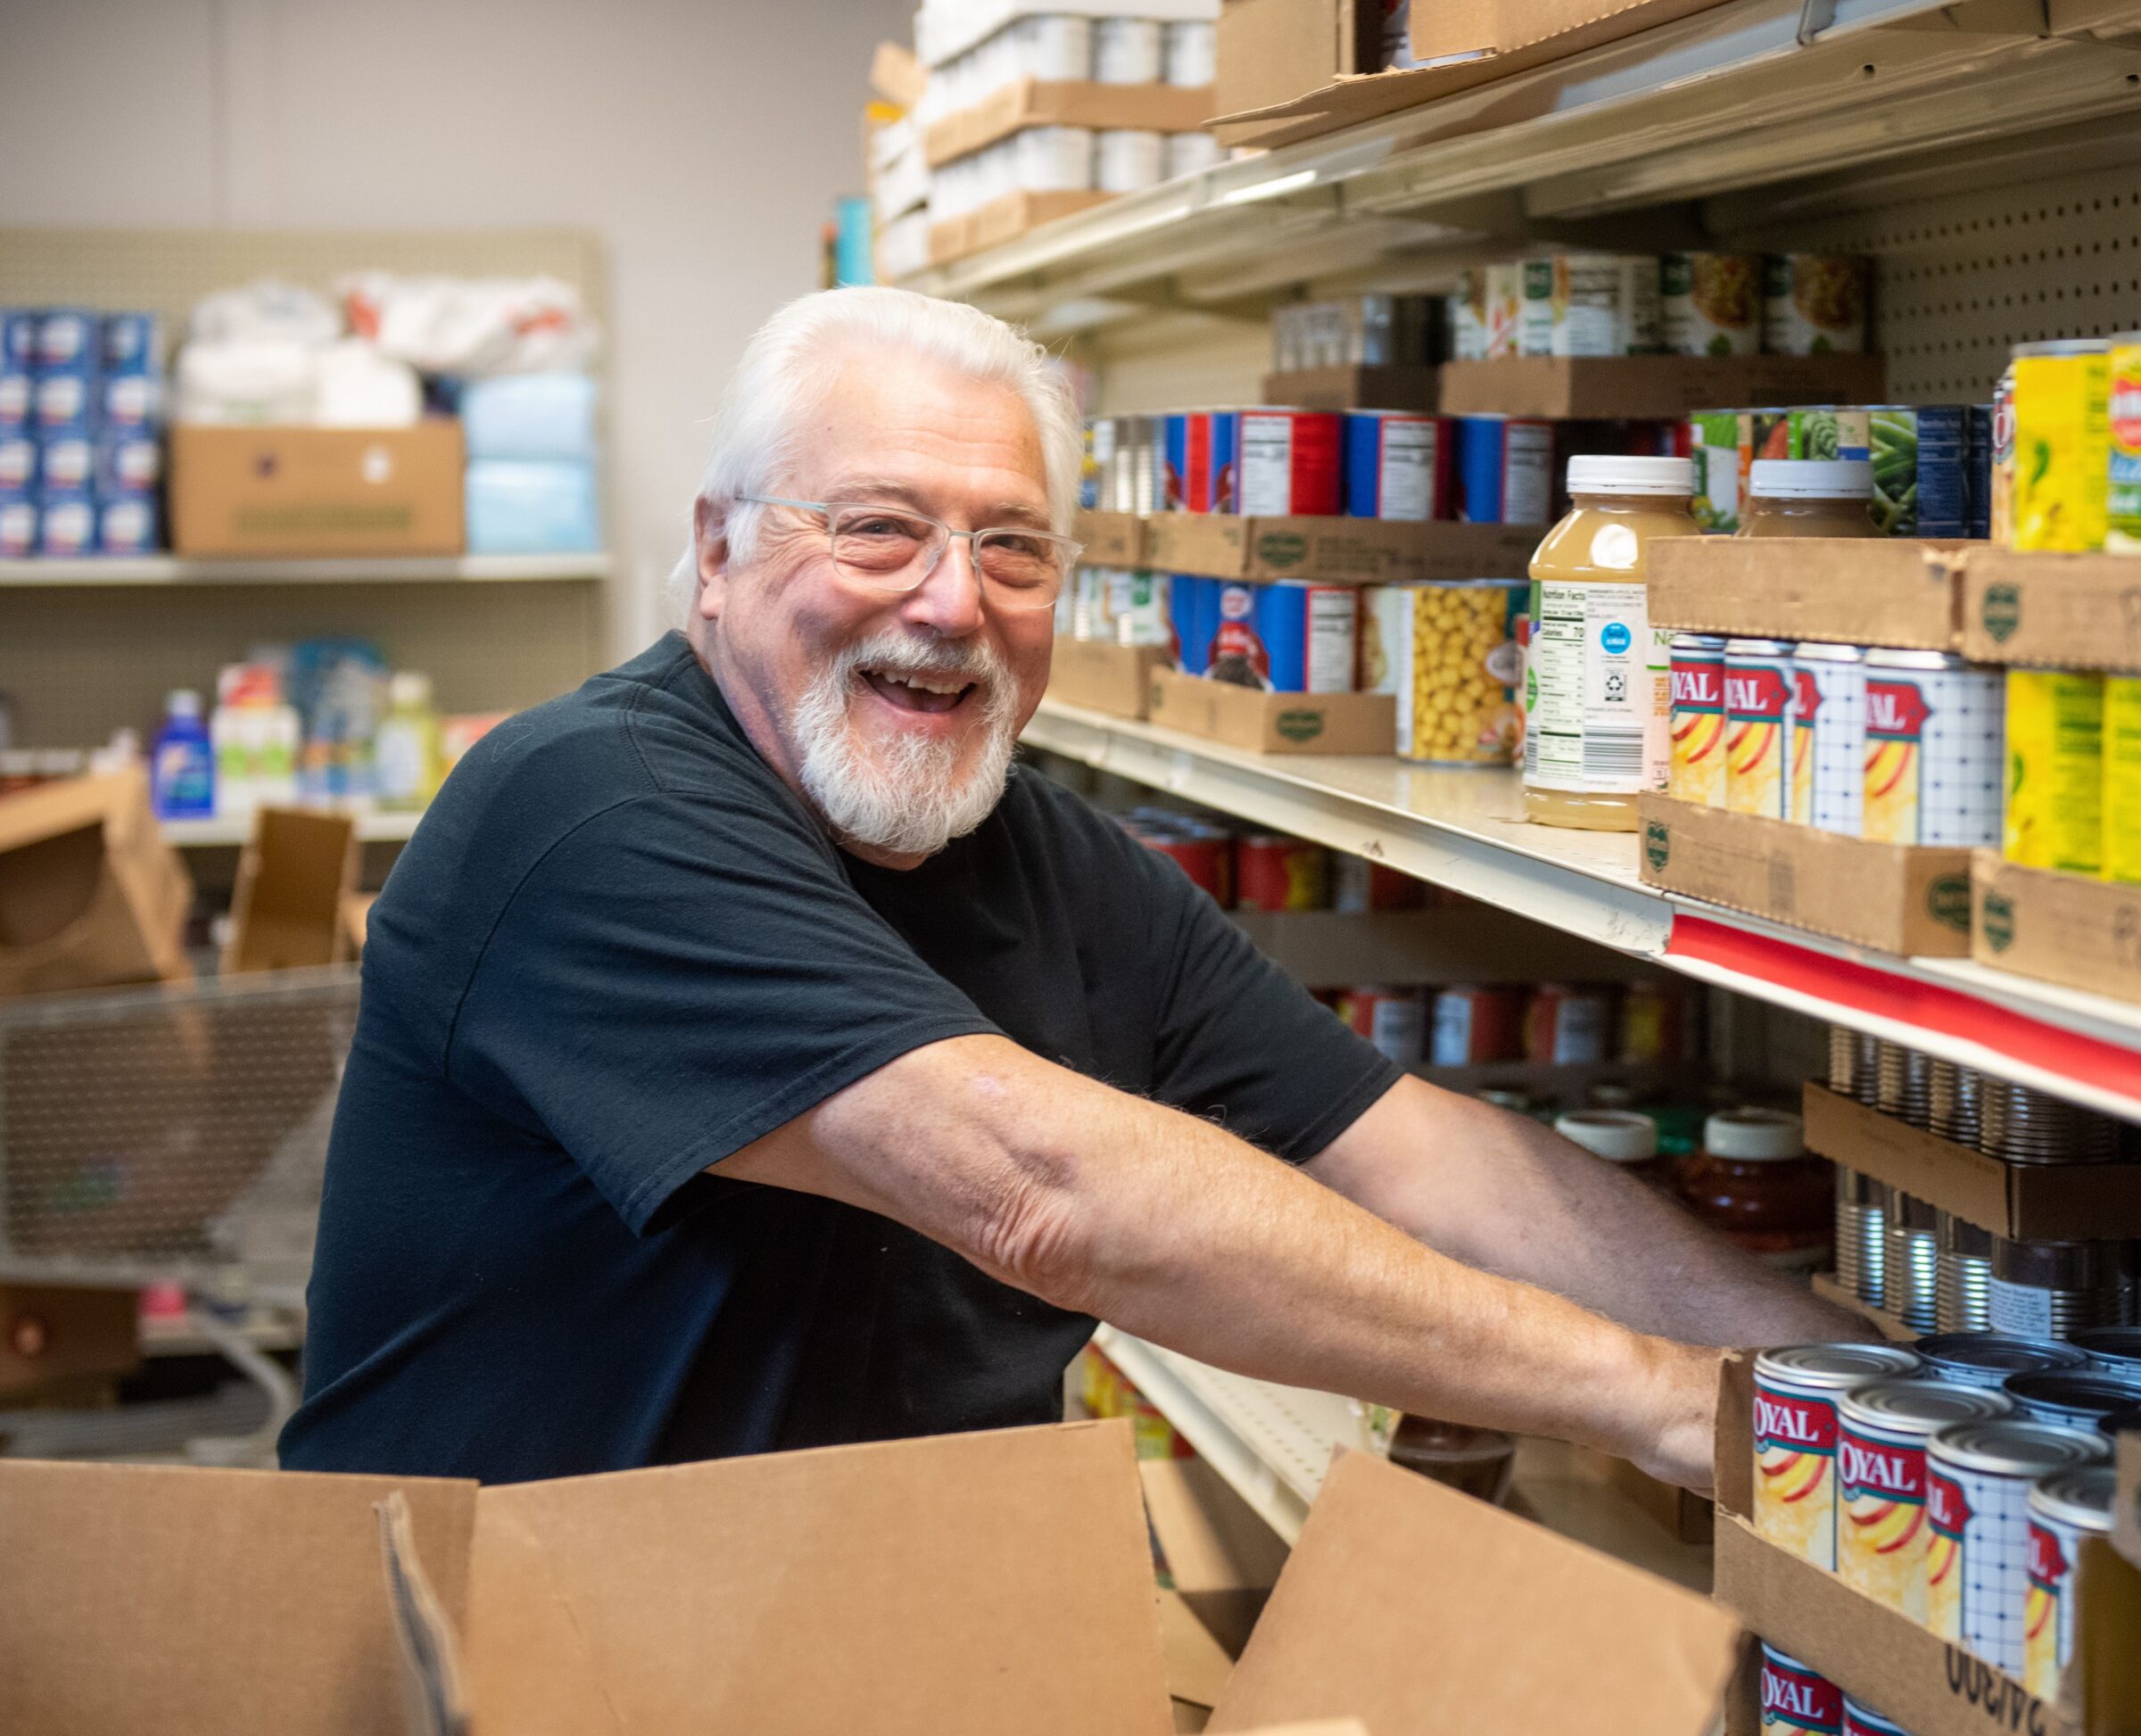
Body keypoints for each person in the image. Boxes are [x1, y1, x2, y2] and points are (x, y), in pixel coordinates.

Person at [280, 286, 1863, 1487]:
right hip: (501, 1652)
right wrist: (1654, 1396)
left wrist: (1842, 1383)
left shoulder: (1046, 859)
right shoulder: (587, 811)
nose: (954, 603)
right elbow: (1042, 1188)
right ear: (715, 553)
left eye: (1015, 550)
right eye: (880, 528)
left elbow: (1422, 1155)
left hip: (881, 1640)